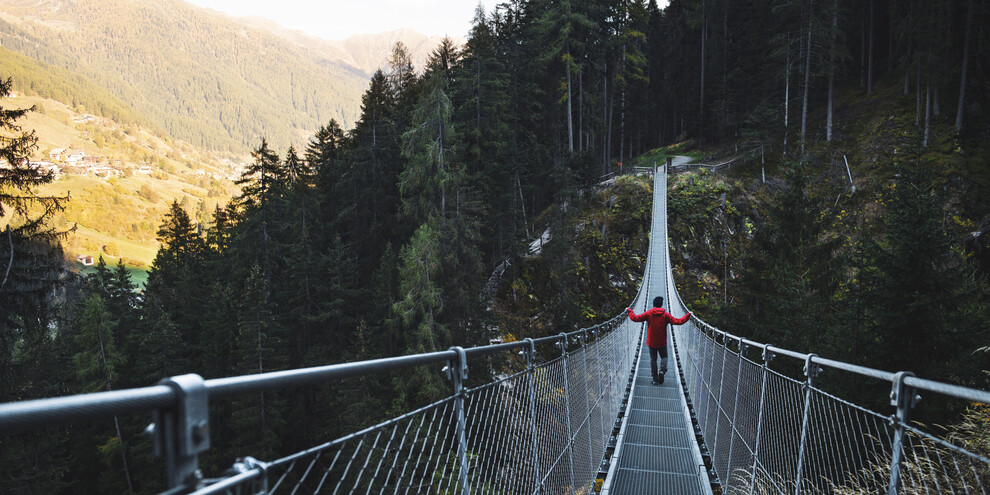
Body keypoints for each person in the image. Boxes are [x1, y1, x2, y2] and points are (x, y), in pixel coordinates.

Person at [626, 296, 692, 385]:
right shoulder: (666, 315)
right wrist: (688, 315)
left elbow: (635, 318)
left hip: (651, 342)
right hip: (662, 342)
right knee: (664, 357)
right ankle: (662, 370)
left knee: (653, 359)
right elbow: (678, 321)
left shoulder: (649, 313)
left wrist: (630, 311)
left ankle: (655, 379)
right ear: (661, 305)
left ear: (653, 304)